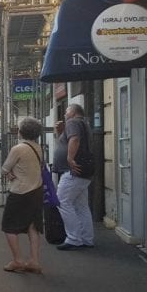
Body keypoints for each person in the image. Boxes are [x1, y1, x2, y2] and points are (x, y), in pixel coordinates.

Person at [0, 117, 44, 273]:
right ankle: (34, 261)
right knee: (33, 226)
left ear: (21, 132)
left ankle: (18, 260)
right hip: (36, 190)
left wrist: (9, 173)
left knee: (9, 226)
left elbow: (5, 168)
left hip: (20, 191)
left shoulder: (18, 149)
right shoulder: (38, 148)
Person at [53, 103, 95, 250]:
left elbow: (75, 139)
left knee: (62, 201)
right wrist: (60, 132)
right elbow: (69, 140)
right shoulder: (84, 123)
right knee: (80, 206)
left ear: (73, 112)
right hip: (84, 171)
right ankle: (87, 238)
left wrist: (70, 158)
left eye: (66, 111)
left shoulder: (73, 122)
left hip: (72, 171)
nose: (65, 114)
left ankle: (73, 239)